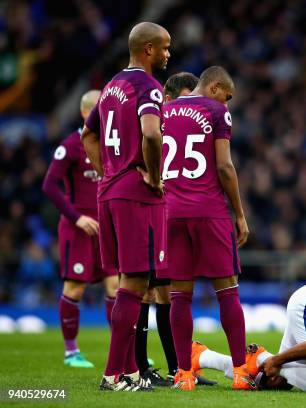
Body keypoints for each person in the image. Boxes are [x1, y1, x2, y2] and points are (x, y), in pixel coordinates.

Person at [81, 21, 171, 392]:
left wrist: (107, 171)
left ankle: (131, 371)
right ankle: (113, 374)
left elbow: (89, 134)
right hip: (135, 194)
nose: (168, 54)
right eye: (165, 48)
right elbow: (151, 133)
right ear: (147, 49)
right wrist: (153, 175)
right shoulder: (147, 86)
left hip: (110, 191)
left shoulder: (111, 87)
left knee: (128, 283)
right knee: (135, 282)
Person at [157, 66, 252, 390]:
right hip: (208, 211)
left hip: (170, 212)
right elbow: (224, 166)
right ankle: (240, 371)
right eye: (227, 96)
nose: (228, 103)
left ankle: (184, 374)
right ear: (214, 88)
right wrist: (239, 214)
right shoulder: (216, 111)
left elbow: (150, 149)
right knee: (227, 290)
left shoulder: (164, 109)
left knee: (179, 296)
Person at [42, 89, 118, 368]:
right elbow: (49, 186)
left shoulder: (111, 145)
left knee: (117, 286)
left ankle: (122, 353)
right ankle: (71, 351)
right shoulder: (71, 145)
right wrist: (76, 218)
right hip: (78, 228)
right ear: (87, 113)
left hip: (108, 228)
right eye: (102, 108)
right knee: (75, 288)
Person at [133, 72, 200, 387]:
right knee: (144, 290)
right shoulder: (151, 120)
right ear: (170, 98)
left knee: (164, 292)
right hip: (146, 212)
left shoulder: (180, 126)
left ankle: (177, 369)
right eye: (187, 97)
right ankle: (138, 370)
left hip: (167, 216)